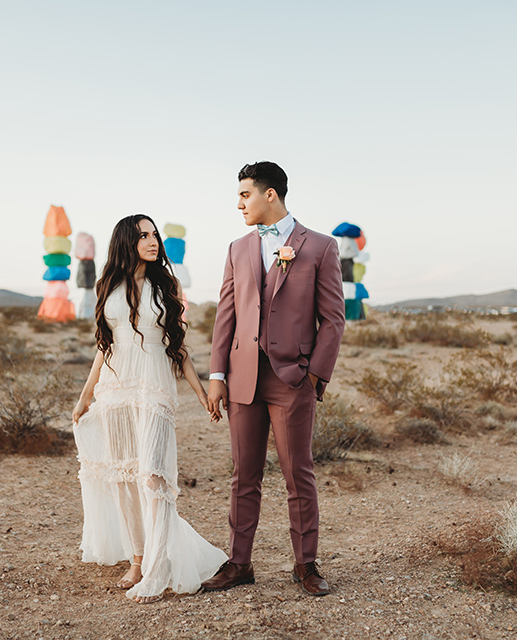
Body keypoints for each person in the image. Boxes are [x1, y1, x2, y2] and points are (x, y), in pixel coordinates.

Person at [202, 162, 345, 596]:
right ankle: (239, 563)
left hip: (292, 379)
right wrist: (216, 375)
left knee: (297, 474)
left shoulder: (319, 247)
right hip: (243, 378)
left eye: (245, 195)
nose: (239, 204)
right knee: (243, 475)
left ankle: (306, 565)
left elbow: (333, 321)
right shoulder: (236, 247)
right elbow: (225, 316)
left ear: (270, 195)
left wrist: (313, 377)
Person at [72, 214, 227, 604]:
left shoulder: (166, 286)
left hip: (155, 388)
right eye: (143, 235)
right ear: (127, 241)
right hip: (114, 389)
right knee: (124, 479)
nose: (153, 240)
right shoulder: (109, 285)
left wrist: (201, 393)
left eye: (154, 234)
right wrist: (86, 395)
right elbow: (104, 346)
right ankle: (138, 559)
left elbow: (179, 348)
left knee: (153, 476)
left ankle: (159, 566)